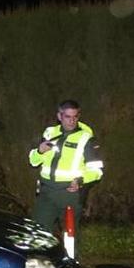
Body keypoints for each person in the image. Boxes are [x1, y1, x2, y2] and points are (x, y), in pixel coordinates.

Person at [28, 99, 104, 236]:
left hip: (69, 194)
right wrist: (39, 151)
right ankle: (41, 258)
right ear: (59, 116)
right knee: (38, 235)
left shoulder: (86, 138)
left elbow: (97, 170)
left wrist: (80, 180)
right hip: (46, 193)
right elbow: (33, 161)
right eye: (68, 117)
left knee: (70, 238)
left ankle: (70, 257)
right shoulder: (49, 133)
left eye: (75, 117)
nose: (72, 121)